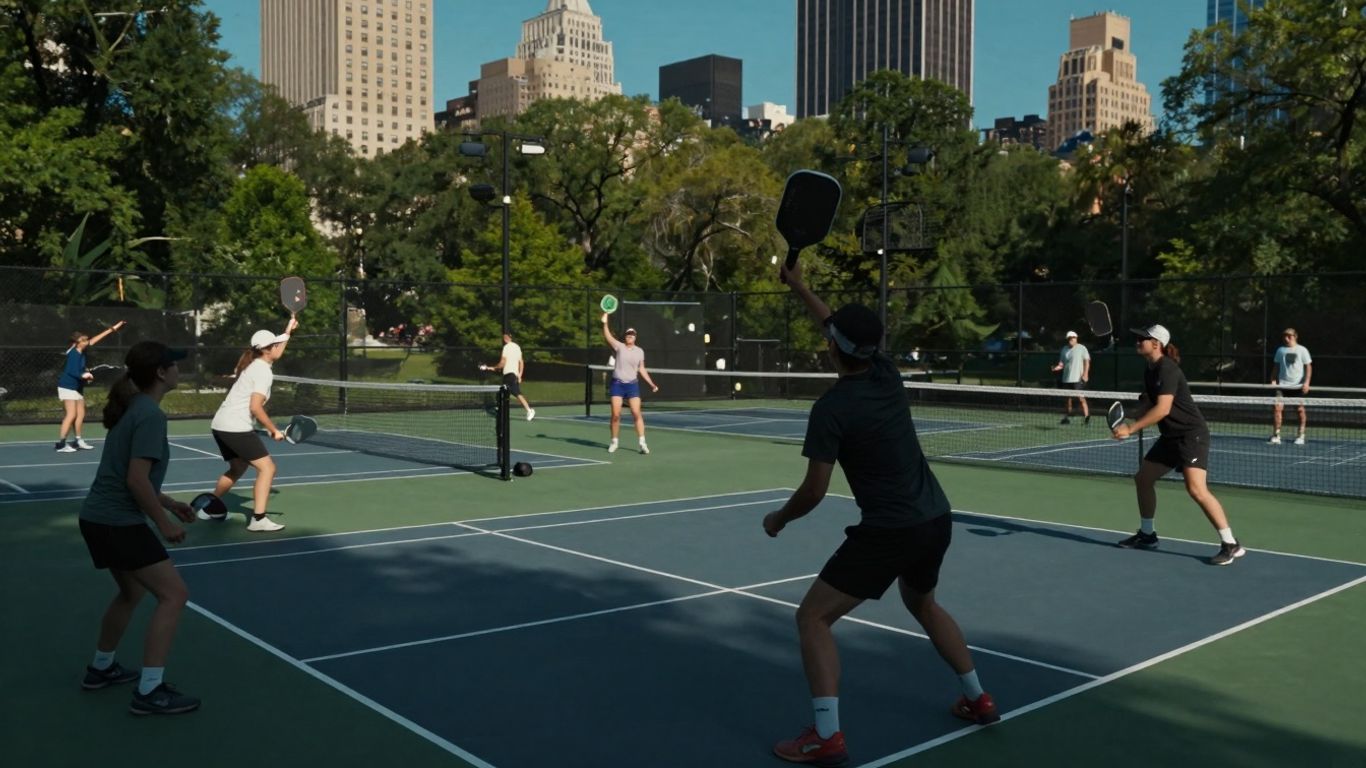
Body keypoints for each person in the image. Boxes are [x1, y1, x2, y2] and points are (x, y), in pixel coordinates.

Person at [764, 261, 997, 766]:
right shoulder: (888, 373)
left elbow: (814, 490)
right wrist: (801, 285)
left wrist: (779, 518)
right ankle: (978, 697)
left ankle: (826, 736)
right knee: (924, 603)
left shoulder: (831, 409)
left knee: (812, 618)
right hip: (936, 518)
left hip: (889, 531)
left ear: (832, 349)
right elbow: (838, 327)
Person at [78, 340, 200, 715]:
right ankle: (150, 692)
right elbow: (135, 480)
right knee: (174, 595)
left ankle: (101, 668)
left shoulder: (135, 408)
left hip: (97, 518)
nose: (179, 370)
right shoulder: (149, 415)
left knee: (131, 593)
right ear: (161, 373)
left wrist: (169, 503)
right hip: (118, 523)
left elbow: (131, 477)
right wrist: (164, 524)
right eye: (173, 365)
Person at [1112, 324, 1246, 566]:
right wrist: (1131, 416)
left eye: (1143, 338)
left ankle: (1230, 544)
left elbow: (1162, 409)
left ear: (1157, 344)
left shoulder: (1167, 369)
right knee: (1143, 479)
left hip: (1190, 435)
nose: (1138, 341)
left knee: (1196, 489)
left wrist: (1131, 429)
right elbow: (1149, 403)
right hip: (1170, 437)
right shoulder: (1150, 369)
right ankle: (1147, 534)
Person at [203, 318, 298, 532]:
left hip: (220, 424)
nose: (278, 348)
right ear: (268, 349)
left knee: (238, 467)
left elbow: (277, 350)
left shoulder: (256, 363)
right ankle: (258, 519)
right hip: (235, 426)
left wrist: (287, 331)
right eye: (275, 345)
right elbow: (256, 407)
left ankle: (208, 507)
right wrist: (273, 430)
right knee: (268, 468)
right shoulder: (263, 371)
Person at [56, 320, 127, 452]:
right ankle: (61, 444)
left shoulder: (82, 350)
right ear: (76, 342)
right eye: (83, 340)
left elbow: (96, 339)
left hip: (77, 386)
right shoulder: (73, 353)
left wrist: (114, 328)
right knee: (71, 414)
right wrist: (84, 375)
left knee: (81, 413)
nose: (86, 342)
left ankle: (78, 440)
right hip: (67, 385)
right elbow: (72, 371)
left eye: (86, 340)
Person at [601, 313, 659, 454]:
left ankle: (642, 443)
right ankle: (614, 441)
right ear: (625, 337)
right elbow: (608, 336)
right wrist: (604, 323)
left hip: (632, 385)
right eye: (628, 334)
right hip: (617, 385)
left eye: (632, 334)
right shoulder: (619, 347)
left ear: (635, 337)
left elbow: (642, 369)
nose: (630, 336)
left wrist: (652, 384)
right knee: (615, 414)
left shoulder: (640, 352)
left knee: (636, 413)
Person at [1269, 327, 1312, 445]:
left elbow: (1308, 367)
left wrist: (1306, 383)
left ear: (1295, 337)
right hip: (1282, 386)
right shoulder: (1280, 350)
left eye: (1289, 336)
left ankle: (1301, 435)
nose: (1286, 338)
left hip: (1297, 386)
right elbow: (1276, 367)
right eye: (1285, 336)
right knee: (1277, 408)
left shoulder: (1302, 350)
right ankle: (1276, 435)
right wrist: (1273, 380)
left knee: (1300, 410)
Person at [481, 331, 535, 421]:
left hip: (510, 374)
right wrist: (520, 374)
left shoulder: (506, 347)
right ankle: (500, 409)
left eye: (506, 337)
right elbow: (521, 362)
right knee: (503, 393)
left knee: (516, 392)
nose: (505, 338)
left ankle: (529, 410)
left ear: (509, 338)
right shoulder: (517, 347)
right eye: (504, 337)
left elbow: (502, 363)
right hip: (510, 374)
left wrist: (494, 367)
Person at [1050, 330, 1090, 425]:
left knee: (1081, 398)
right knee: (1067, 400)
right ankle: (1066, 418)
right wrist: (1056, 368)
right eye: (1069, 338)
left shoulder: (1082, 348)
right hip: (1066, 379)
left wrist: (1085, 374)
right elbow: (1061, 364)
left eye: (1073, 338)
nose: (1071, 340)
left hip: (1077, 379)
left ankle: (1087, 418)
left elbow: (1086, 361)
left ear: (1076, 338)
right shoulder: (1064, 349)